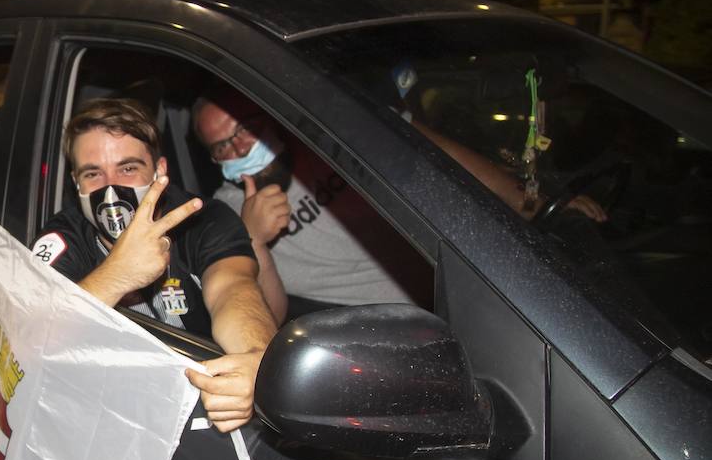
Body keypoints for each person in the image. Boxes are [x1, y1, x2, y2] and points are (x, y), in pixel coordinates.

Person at [192, 92, 608, 314]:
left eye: (245, 128)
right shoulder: (227, 211)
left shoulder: (332, 137)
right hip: (409, 334)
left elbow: (439, 156)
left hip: (486, 288)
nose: (239, 147)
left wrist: (532, 205)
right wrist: (255, 241)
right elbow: (266, 317)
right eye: (222, 147)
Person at [32, 98, 278, 434]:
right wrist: (116, 275)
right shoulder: (62, 239)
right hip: (108, 417)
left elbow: (233, 289)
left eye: (128, 168)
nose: (110, 187)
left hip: (197, 410)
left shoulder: (200, 217)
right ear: (76, 183)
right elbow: (32, 339)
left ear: (160, 170)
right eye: (93, 174)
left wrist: (257, 359)